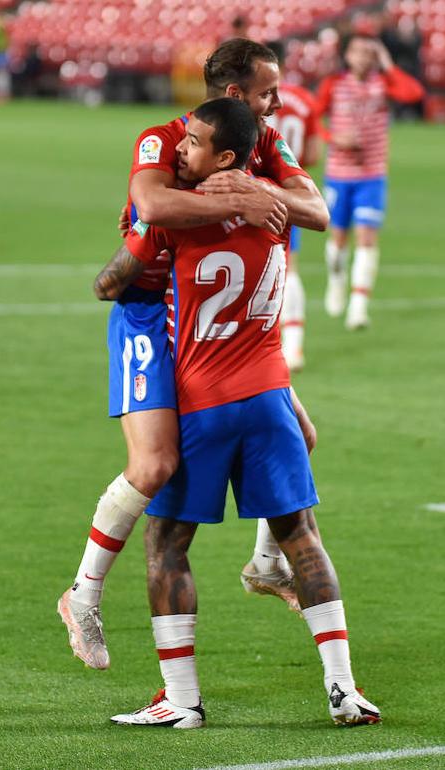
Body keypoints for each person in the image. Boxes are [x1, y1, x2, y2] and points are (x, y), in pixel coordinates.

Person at [94, 99, 379, 728]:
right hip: (272, 400)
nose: (180, 149)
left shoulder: (183, 217)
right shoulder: (275, 211)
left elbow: (111, 282)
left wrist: (137, 231)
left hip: (203, 404)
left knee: (167, 545)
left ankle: (182, 700)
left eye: (193, 142)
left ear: (223, 155)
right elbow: (310, 208)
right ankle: (343, 689)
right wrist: (257, 190)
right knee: (301, 537)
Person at [58, 38, 329, 672]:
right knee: (155, 464)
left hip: (212, 320)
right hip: (151, 315)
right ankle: (84, 594)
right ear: (235, 94)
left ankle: (266, 564)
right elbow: (152, 206)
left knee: (300, 434)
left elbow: (316, 210)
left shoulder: (262, 143)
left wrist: (262, 192)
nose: (277, 102)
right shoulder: (164, 139)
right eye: (267, 92)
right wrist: (239, 199)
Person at [316, 33, 423, 330]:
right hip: (339, 175)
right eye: (358, 51)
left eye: (369, 52)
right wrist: (333, 138)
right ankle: (336, 279)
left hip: (372, 175)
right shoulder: (334, 84)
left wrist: (388, 64)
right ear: (347, 55)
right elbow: (313, 117)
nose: (363, 57)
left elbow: (413, 94)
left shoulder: (383, 83)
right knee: (338, 238)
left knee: (366, 237)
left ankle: (358, 306)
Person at [265, 41, 325, 372]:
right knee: (289, 268)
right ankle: (295, 345)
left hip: (253, 191)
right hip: (290, 194)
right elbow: (313, 154)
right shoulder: (303, 99)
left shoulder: (252, 98)